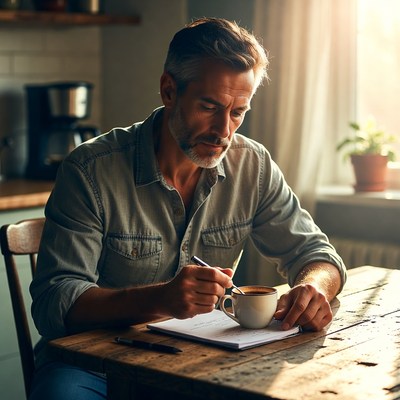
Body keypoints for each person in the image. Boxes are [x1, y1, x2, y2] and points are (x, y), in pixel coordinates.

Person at [29, 17, 346, 399]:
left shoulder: (253, 165)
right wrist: (159, 299)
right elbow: (54, 303)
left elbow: (316, 254)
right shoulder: (91, 170)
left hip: (196, 359)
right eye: (209, 106)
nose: (224, 131)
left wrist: (313, 287)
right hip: (91, 367)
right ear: (168, 90)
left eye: (237, 112)